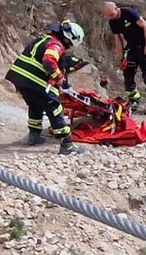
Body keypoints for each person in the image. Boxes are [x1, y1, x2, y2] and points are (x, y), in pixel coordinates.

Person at [5, 19, 86, 155]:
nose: (69, 47)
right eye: (70, 44)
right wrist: (59, 78)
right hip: (34, 79)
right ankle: (66, 145)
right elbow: (49, 61)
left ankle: (34, 136)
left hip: (19, 78)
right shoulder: (56, 44)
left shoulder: (44, 39)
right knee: (54, 107)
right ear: (68, 38)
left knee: (35, 104)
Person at [102, 2, 146, 115]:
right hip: (131, 49)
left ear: (117, 9)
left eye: (112, 14)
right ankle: (134, 101)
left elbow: (145, 26)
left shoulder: (129, 13)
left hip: (143, 47)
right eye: (108, 16)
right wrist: (122, 57)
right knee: (128, 75)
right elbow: (118, 40)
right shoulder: (112, 22)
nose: (111, 17)